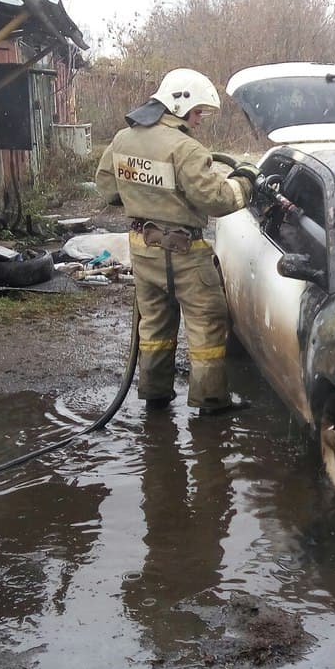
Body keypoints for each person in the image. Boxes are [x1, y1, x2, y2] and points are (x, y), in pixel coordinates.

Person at [96, 68, 256, 415]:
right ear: (179, 104)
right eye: (198, 112)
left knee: (153, 324)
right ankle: (210, 401)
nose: (199, 121)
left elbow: (109, 189)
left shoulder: (123, 139)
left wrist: (146, 200)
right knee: (207, 323)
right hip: (186, 255)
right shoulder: (186, 148)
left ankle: (154, 394)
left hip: (144, 250)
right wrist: (245, 181)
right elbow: (215, 199)